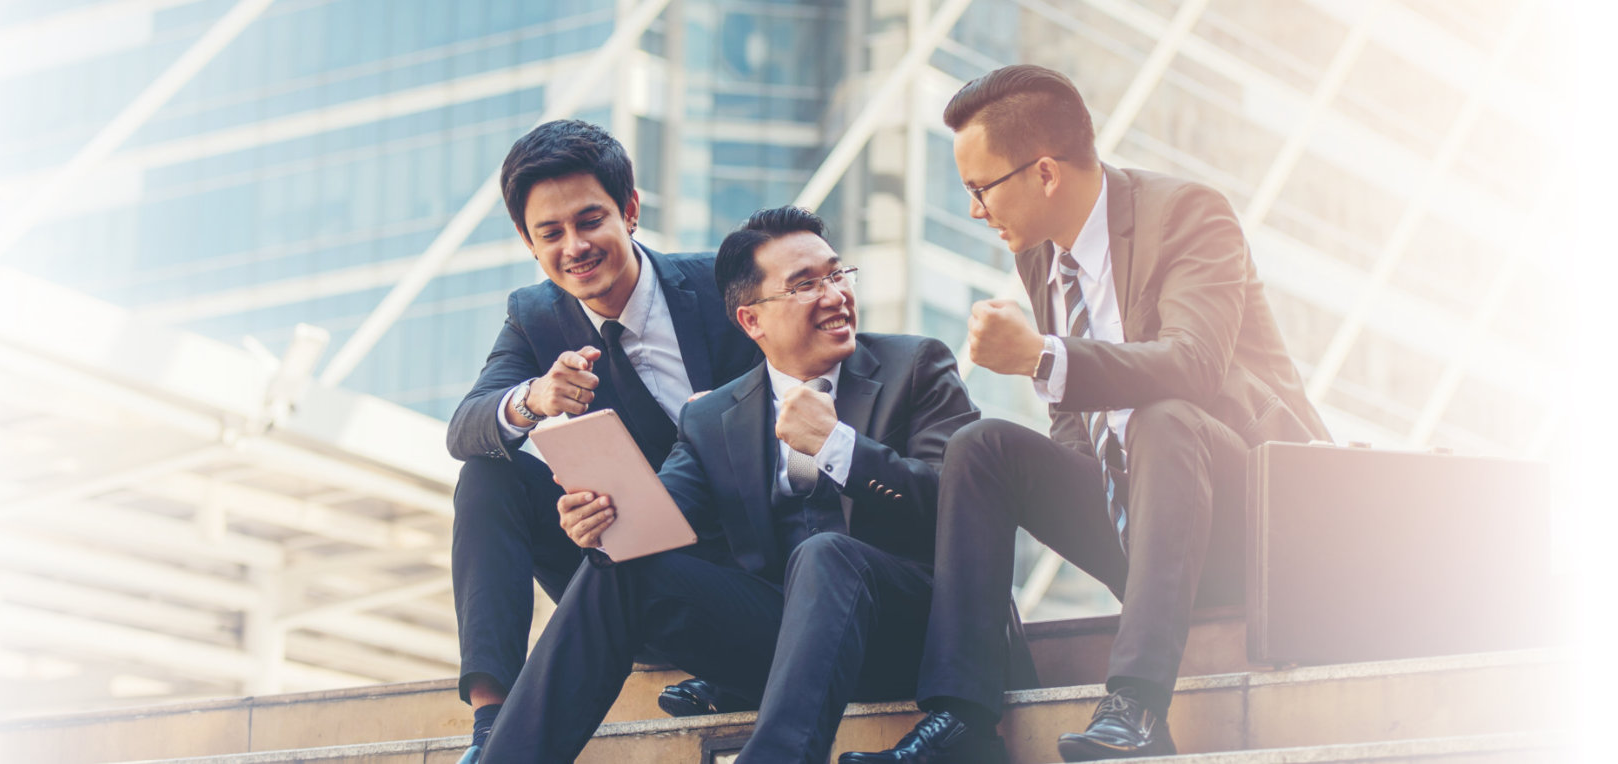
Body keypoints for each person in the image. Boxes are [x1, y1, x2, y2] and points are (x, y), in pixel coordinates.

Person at [844, 64, 1330, 762]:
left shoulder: (1189, 214)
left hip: (1246, 527)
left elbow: (1193, 364)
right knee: (981, 445)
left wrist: (1042, 356)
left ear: (1044, 174)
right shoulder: (1042, 256)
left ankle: (1135, 707)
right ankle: (962, 720)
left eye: (981, 189)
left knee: (1166, 415)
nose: (976, 210)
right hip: (1140, 531)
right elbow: (1074, 423)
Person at [475, 206, 983, 763]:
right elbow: (658, 524)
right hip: (780, 646)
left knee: (827, 553)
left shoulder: (917, 365)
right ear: (751, 321)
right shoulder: (714, 417)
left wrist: (838, 444)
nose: (835, 295)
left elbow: (959, 509)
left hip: (909, 638)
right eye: (805, 285)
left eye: (837, 275)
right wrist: (599, 523)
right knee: (620, 567)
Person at [444, 119, 761, 764]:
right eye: (550, 233)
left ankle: (732, 674)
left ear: (631, 210)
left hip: (750, 577)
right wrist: (533, 398)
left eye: (590, 221)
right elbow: (464, 427)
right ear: (527, 242)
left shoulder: (722, 288)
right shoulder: (535, 315)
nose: (574, 247)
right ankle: (490, 725)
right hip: (620, 574)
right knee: (488, 473)